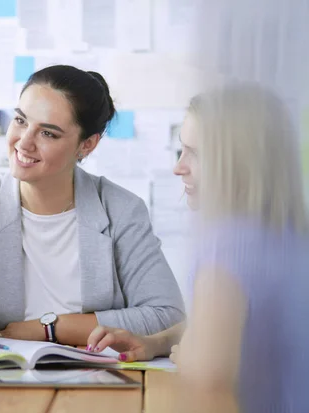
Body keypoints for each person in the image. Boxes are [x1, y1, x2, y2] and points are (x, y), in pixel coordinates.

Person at [88, 84, 309, 411]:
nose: (179, 167)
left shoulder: (228, 247)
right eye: (182, 149)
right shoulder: (288, 235)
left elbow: (213, 389)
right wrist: (157, 342)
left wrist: (195, 360)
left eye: (196, 153)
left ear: (240, 161)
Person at [0, 65, 185, 346]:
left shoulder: (122, 210)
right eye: (20, 120)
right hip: (0, 373)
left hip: (94, 376)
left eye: (48, 134)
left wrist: (50, 328)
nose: (24, 142)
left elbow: (167, 316)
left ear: (88, 145)